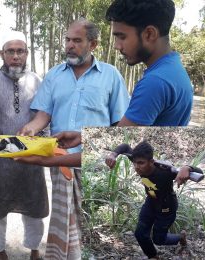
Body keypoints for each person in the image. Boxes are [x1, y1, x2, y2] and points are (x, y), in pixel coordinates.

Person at [18, 19, 129, 259]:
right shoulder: (55, 75)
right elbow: (44, 113)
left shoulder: (111, 76)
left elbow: (118, 123)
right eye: (67, 40)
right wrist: (31, 127)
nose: (69, 45)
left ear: (94, 44)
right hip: (60, 159)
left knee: (88, 223)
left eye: (77, 41)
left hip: (95, 163)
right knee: (62, 219)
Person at [0, 31, 49, 260]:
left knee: (34, 206)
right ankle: (0, 252)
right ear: (2, 54)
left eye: (20, 51)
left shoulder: (37, 80)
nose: (16, 56)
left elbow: (44, 114)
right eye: (11, 51)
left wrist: (45, 144)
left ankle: (34, 250)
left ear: (27, 53)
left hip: (30, 154)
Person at [105, 141, 202, 259]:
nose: (137, 167)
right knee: (140, 234)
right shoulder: (138, 159)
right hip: (151, 202)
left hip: (166, 207)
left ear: (151, 162)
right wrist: (113, 155)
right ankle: (153, 256)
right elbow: (125, 146)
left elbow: (200, 174)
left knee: (159, 239)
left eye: (141, 163)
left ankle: (181, 237)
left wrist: (188, 167)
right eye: (135, 163)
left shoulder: (165, 171)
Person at [105, 0, 193, 126]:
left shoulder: (155, 82)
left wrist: (85, 137)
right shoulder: (174, 68)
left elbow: (121, 142)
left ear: (149, 34)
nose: (116, 46)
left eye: (122, 37)